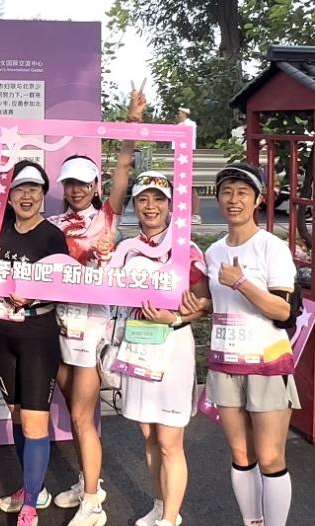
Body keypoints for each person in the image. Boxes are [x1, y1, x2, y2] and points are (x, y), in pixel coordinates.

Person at [47, 83, 145, 526]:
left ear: (94, 185)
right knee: (75, 413)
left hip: (92, 327)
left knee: (83, 416)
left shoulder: (107, 217)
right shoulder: (52, 224)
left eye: (83, 183)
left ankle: (92, 503)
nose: (76, 190)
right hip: (58, 325)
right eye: (70, 183)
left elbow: (123, 168)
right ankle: (90, 480)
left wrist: (133, 123)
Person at [185, 163, 299, 526]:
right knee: (240, 454)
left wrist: (241, 283)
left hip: (267, 364)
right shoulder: (215, 251)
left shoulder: (271, 247)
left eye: (242, 193)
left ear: (258, 199)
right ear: (218, 198)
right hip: (225, 364)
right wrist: (199, 306)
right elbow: (219, 304)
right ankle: (252, 522)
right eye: (227, 192)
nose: (234, 200)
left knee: (270, 456)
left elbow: (284, 311)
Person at [114, 172, 210, 526]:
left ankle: (170, 518)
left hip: (173, 348)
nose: (150, 206)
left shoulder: (185, 248)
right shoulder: (126, 248)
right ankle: (159, 506)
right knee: (150, 436)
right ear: (134, 205)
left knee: (170, 440)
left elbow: (206, 300)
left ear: (170, 206)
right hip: (138, 346)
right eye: (143, 199)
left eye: (158, 199)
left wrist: (176, 316)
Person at [0, 161, 69, 526]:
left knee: (35, 423)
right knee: (18, 417)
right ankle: (32, 487)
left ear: (43, 195)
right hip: (3, 336)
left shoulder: (52, 236)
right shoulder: (0, 229)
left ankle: (31, 506)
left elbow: (65, 284)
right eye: (19, 188)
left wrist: (33, 295)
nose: (27, 196)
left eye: (34, 189)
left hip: (38, 337)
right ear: (10, 195)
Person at [176, 107, 201, 225]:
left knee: (191, 186)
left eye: (180, 113)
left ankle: (194, 214)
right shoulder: (179, 126)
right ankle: (178, 214)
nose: (178, 114)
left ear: (184, 113)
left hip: (187, 156)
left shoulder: (190, 124)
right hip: (177, 156)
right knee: (177, 187)